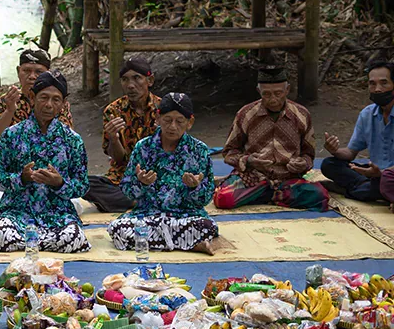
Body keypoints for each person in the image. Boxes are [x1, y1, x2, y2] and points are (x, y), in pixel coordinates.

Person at [0, 71, 91, 253]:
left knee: (75, 237)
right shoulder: (12, 134)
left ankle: (33, 242)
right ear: (32, 97)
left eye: (56, 99)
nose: (49, 105)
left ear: (64, 103)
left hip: (58, 214)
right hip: (17, 213)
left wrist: (59, 183)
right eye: (44, 97)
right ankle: (42, 243)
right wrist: (21, 178)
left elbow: (82, 185)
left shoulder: (72, 140)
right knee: (2, 236)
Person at [107, 93, 219, 253]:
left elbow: (206, 198)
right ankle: (188, 244)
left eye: (179, 121)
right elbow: (127, 190)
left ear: (190, 122)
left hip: (186, 216)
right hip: (148, 215)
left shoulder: (199, 150)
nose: (173, 126)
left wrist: (194, 187)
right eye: (167, 120)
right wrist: (141, 183)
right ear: (158, 118)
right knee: (118, 229)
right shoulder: (143, 148)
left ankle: (164, 242)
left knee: (207, 226)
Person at [214, 66, 329, 210]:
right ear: (258, 92)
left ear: (287, 90)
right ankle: (274, 194)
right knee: (223, 199)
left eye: (278, 93)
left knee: (321, 197)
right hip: (253, 177)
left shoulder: (302, 115)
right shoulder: (246, 114)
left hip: (287, 179)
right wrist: (248, 160)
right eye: (266, 94)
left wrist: (302, 164)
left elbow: (308, 154)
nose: (273, 99)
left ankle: (263, 194)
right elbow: (229, 152)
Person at [87, 57, 161, 212]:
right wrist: (113, 138)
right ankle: (135, 199)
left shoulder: (163, 109)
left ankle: (125, 200)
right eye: (125, 80)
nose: (130, 86)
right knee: (84, 183)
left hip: (155, 175)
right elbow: (118, 160)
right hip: (122, 178)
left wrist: (163, 135)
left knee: (179, 180)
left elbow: (174, 152)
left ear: (150, 80)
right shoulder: (113, 111)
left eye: (137, 78)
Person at [321, 59, 394, 204]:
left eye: (384, 83)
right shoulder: (367, 114)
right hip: (372, 173)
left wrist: (383, 174)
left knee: (384, 182)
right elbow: (350, 153)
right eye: (372, 84)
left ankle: (358, 189)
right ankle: (370, 189)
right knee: (329, 164)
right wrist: (334, 150)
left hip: (391, 176)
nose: (377, 89)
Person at [0, 49, 74, 149]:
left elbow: (66, 143)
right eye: (26, 71)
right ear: (18, 71)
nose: (32, 76)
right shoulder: (8, 100)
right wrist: (9, 111)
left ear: (48, 73)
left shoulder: (56, 103)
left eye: (39, 72)